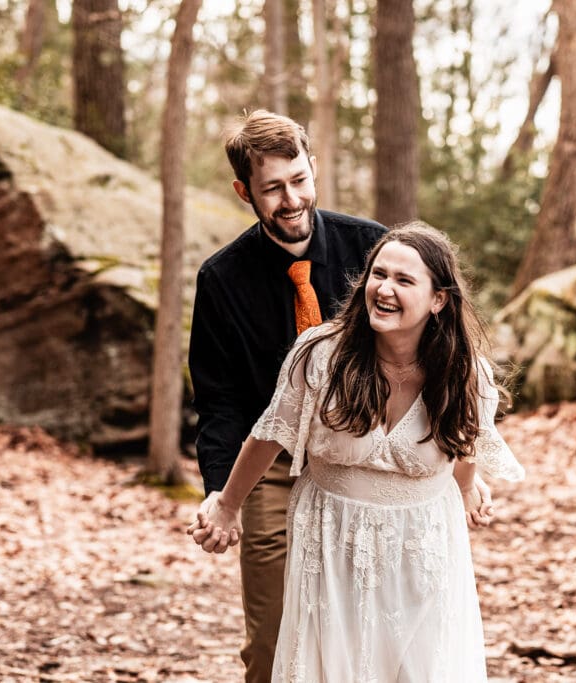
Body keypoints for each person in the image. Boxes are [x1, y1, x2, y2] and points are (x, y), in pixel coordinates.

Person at [187, 110, 494, 682]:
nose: (291, 198)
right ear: (244, 193)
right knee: (277, 636)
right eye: (272, 188)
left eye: (298, 179)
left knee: (390, 634)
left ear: (313, 170)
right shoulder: (221, 279)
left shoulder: (373, 246)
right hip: (276, 462)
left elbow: (442, 363)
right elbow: (223, 403)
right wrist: (221, 495)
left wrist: (461, 472)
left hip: (380, 457)